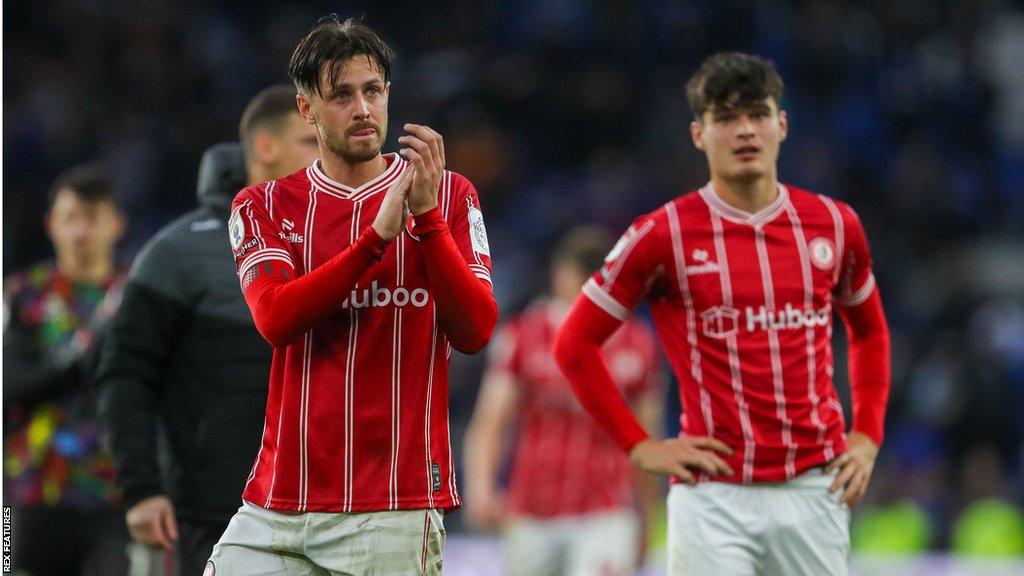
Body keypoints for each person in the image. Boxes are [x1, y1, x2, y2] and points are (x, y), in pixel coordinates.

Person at [553, 52, 892, 576]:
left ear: (782, 125)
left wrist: (867, 435)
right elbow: (573, 343)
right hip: (713, 496)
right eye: (726, 118)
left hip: (814, 487)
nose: (745, 130)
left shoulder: (834, 224)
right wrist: (639, 446)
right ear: (698, 133)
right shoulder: (662, 234)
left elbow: (869, 331)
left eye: (757, 114)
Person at [207, 17, 498, 574]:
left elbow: (476, 331)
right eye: (341, 94)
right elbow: (275, 317)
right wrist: (375, 241)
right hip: (278, 502)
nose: (362, 108)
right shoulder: (263, 205)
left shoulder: (450, 194)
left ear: (388, 94)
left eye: (373, 90)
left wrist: (427, 219)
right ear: (307, 109)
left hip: (392, 504)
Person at [95, 85, 320, 576]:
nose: (325, 156)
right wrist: (141, 488)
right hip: (218, 510)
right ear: (265, 148)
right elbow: (126, 375)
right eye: (310, 141)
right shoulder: (178, 254)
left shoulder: (337, 243)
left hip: (330, 507)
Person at [464, 226, 663, 576]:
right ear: (560, 276)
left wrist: (646, 516)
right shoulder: (525, 335)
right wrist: (480, 487)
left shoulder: (637, 344)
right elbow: (491, 421)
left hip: (606, 512)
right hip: (531, 512)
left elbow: (647, 440)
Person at [3, 164, 130, 575]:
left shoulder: (138, 296)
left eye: (91, 218)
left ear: (116, 225)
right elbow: (7, 384)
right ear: (51, 224)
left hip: (114, 496)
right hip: (28, 493)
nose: (80, 232)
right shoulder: (22, 295)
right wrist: (79, 356)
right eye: (70, 218)